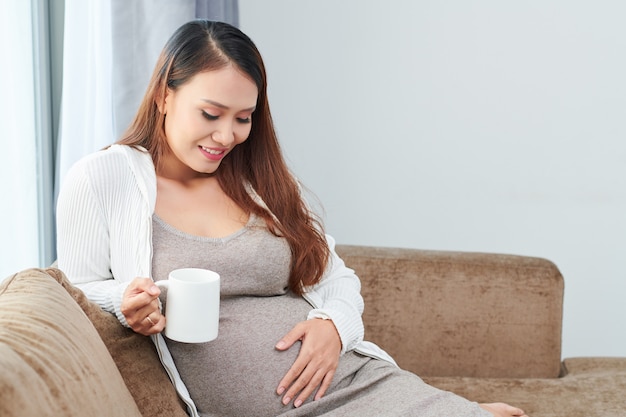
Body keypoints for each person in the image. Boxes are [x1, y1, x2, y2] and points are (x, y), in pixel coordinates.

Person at [56, 19, 527, 417]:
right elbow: (74, 289)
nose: (227, 135)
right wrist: (124, 299)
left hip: (356, 382)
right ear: (163, 95)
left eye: (244, 118)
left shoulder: (260, 181)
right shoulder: (104, 179)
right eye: (211, 113)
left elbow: (336, 276)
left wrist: (334, 327)